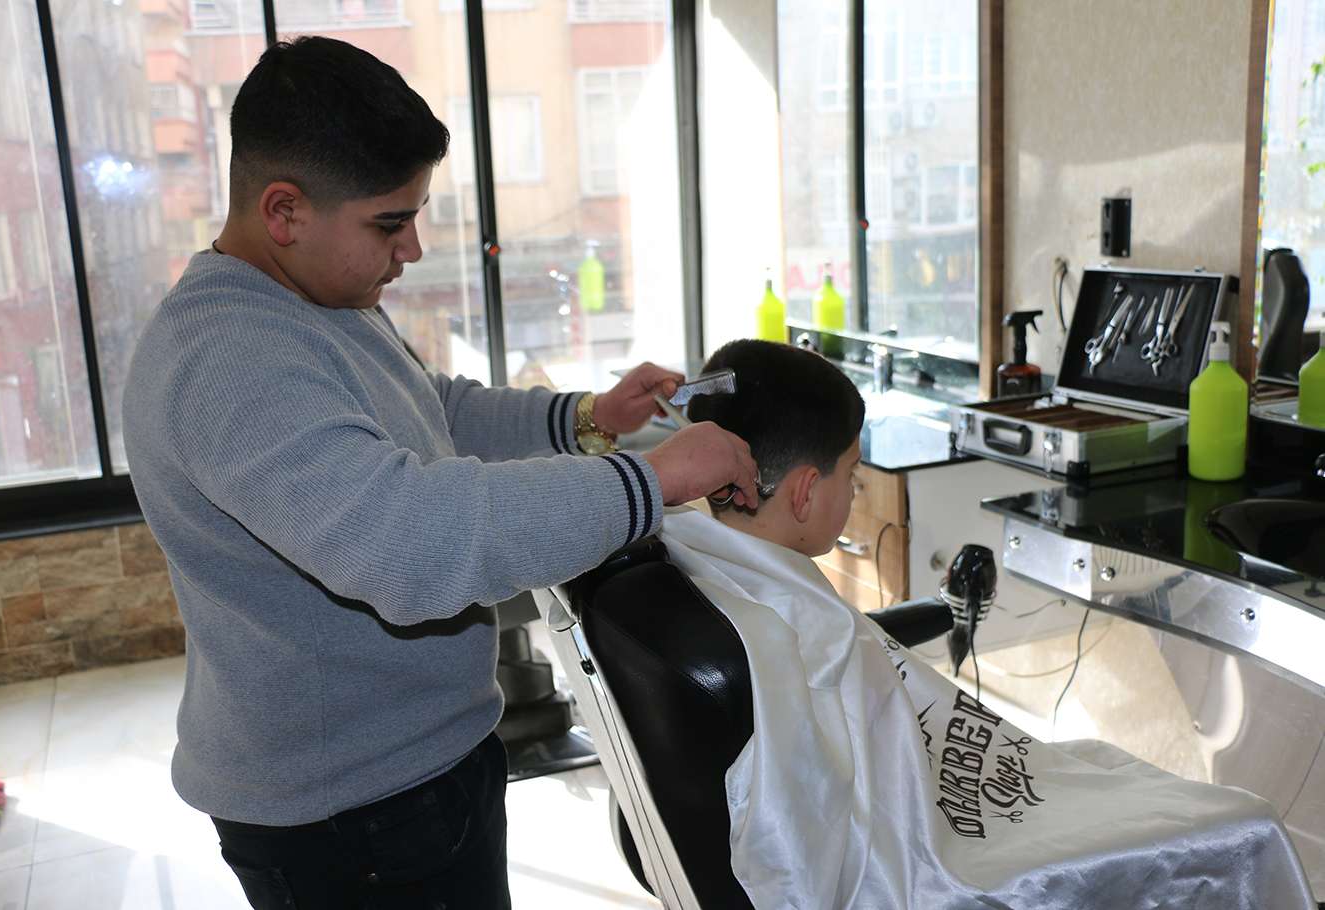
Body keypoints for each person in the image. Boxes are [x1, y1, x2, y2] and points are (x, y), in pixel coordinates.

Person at [121, 36, 758, 909]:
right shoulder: (231, 356)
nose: (413, 248)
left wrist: (587, 418)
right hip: (352, 815)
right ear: (284, 211)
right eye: (390, 223)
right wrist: (654, 481)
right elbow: (409, 545)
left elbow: (430, 410)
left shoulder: (316, 298)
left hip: (414, 767)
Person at [659, 339, 1315, 909]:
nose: (855, 491)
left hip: (963, 798)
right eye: (853, 474)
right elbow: (827, 866)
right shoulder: (798, 634)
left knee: (1107, 771)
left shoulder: (703, 561)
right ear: (805, 490)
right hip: (951, 860)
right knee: (1247, 828)